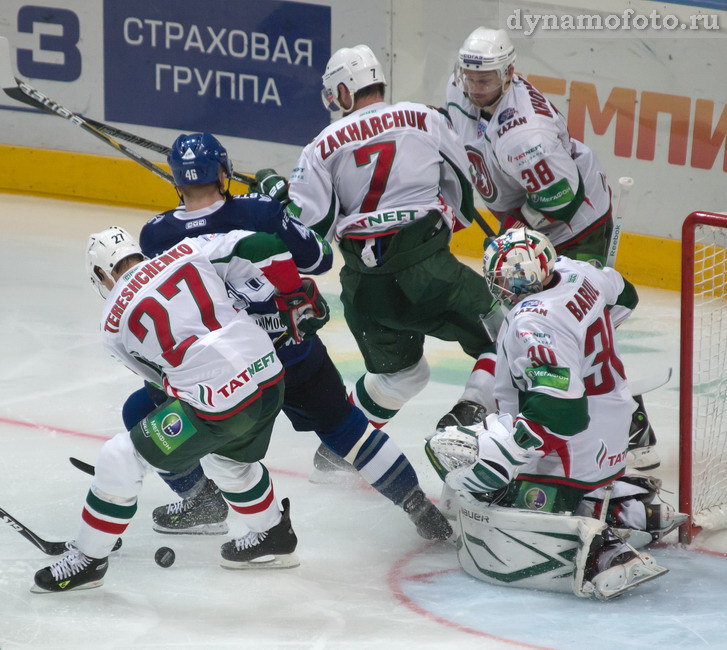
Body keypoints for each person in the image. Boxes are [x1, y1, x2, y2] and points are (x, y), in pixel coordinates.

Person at [132, 132, 452, 542]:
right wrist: (282, 209)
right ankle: (417, 506)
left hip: (223, 374)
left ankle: (202, 500)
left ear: (176, 182)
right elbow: (319, 258)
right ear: (225, 173)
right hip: (291, 351)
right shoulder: (260, 212)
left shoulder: (155, 236)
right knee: (347, 429)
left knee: (142, 411)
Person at [33, 225, 304, 592]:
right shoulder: (189, 249)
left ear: (101, 273)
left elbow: (160, 380)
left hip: (220, 403)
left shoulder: (112, 322)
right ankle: (274, 536)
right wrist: (292, 294)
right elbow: (265, 244)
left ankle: (88, 559)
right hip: (270, 378)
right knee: (228, 461)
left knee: (120, 457)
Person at [253, 44, 499, 442]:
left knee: (402, 374)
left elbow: (309, 231)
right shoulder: (424, 118)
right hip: (431, 273)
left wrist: (278, 200)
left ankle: (342, 452)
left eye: (335, 93)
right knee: (506, 337)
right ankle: (467, 418)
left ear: (346, 91)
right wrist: (432, 233)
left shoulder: (321, 145)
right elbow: (464, 197)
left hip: (367, 289)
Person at [426, 228, 686, 600]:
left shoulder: (534, 322)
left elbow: (562, 413)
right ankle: (629, 510)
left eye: (506, 280)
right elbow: (627, 296)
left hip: (577, 441)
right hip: (613, 423)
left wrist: (507, 452)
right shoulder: (580, 272)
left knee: (464, 455)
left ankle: (605, 551)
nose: (504, 288)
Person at [445, 27, 658, 470]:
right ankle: (519, 403)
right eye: (470, 77)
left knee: (570, 326)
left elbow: (564, 200)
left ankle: (630, 422)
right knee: (524, 326)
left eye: (485, 80)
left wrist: (514, 238)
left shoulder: (528, 136)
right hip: (527, 209)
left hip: (573, 227)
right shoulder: (463, 85)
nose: (474, 87)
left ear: (509, 74)